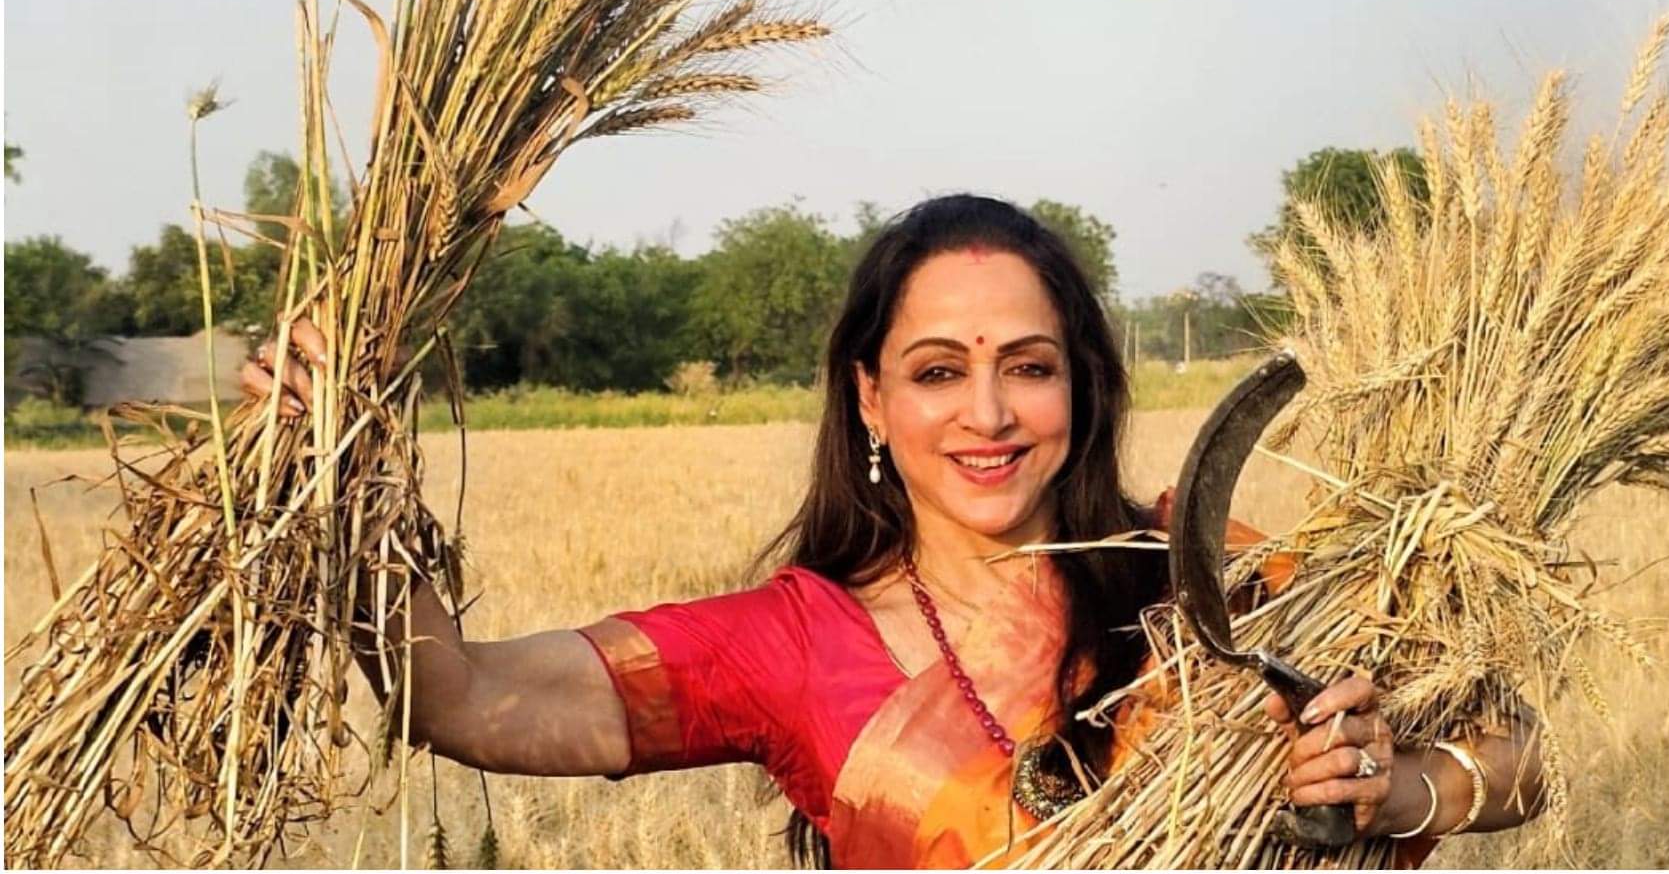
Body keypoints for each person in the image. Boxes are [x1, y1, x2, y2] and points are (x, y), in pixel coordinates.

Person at [241, 194, 1545, 869]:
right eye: (936, 371)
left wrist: (1398, 784)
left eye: (1028, 366)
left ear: (1082, 384)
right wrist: (347, 485)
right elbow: (457, 697)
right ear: (870, 396)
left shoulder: (1213, 571)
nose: (988, 413)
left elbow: (1517, 746)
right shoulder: (795, 645)